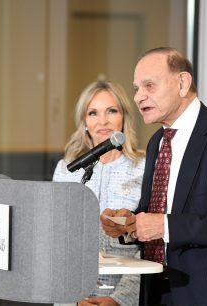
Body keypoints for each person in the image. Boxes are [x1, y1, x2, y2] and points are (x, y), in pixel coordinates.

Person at [100, 47, 207, 305]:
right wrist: (130, 221)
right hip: (159, 293)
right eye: (136, 89)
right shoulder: (157, 142)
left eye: (149, 86)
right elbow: (161, 209)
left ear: (182, 83)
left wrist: (165, 226)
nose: (138, 97)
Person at [53, 80, 146, 306]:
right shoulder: (67, 169)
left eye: (111, 111)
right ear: (84, 121)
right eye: (93, 113)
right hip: (72, 296)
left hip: (124, 296)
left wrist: (120, 299)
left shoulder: (145, 167)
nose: (102, 121)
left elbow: (149, 245)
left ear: (124, 117)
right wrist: (71, 299)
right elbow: (56, 240)